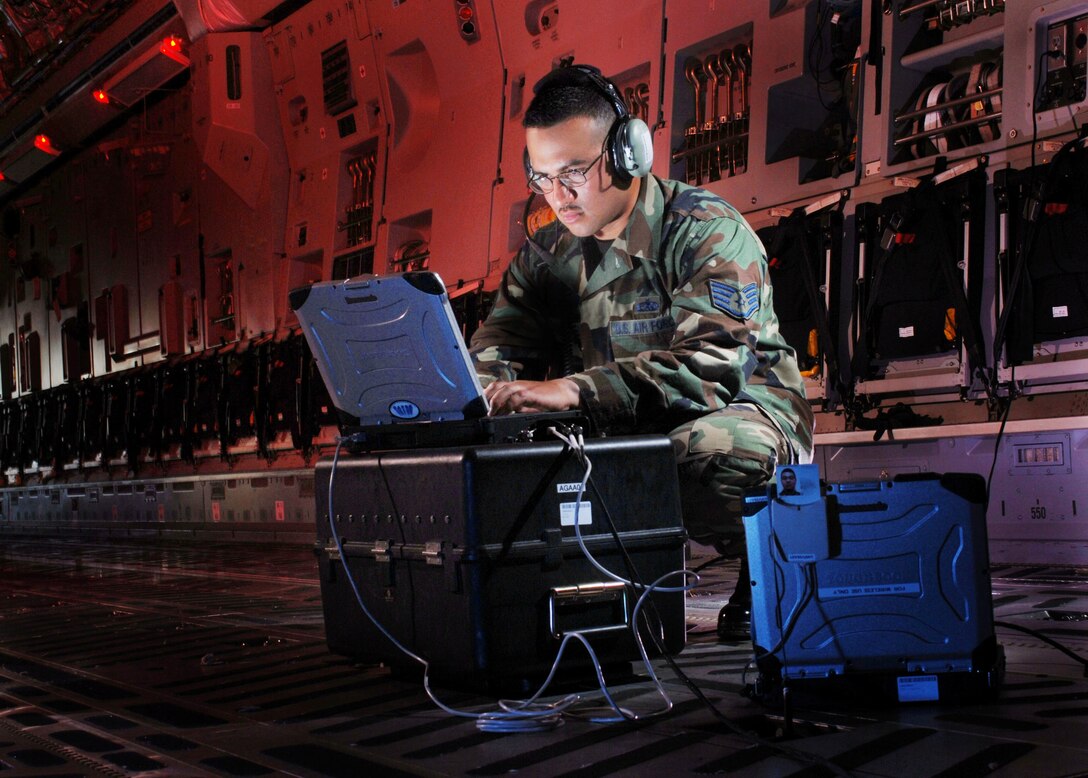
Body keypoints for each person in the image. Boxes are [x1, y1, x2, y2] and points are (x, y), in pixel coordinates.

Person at [469, 64, 814, 639]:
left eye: (574, 172)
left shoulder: (704, 228)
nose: (558, 195)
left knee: (707, 452)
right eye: (543, 177)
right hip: (610, 429)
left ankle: (769, 565)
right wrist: (480, 395)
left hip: (733, 414)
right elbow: (501, 342)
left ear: (627, 153)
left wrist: (575, 389)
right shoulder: (547, 255)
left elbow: (712, 366)